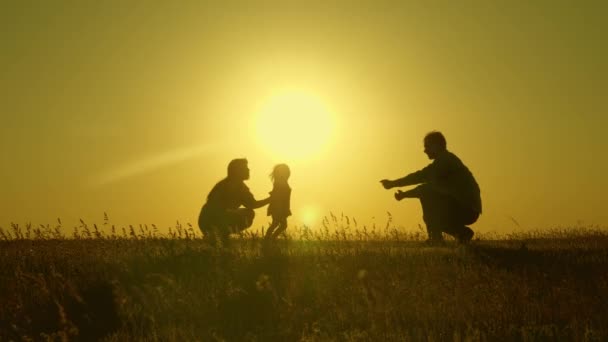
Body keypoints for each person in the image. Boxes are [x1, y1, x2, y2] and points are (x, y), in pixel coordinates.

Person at [380, 131, 482, 244]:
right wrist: (404, 194)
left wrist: (394, 184)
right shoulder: (445, 160)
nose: (425, 150)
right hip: (467, 208)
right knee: (429, 196)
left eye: (427, 146)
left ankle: (435, 239)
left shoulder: (445, 161)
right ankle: (462, 233)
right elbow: (426, 185)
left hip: (466, 209)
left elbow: (421, 178)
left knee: (428, 197)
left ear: (436, 146)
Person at [198, 158, 270, 245]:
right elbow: (252, 204)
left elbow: (251, 204)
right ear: (237, 171)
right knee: (249, 214)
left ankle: (222, 237)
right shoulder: (235, 186)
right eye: (245, 168)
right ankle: (222, 235)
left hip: (207, 219)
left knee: (248, 213)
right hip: (211, 220)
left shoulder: (230, 184)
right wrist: (270, 199)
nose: (248, 170)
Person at [264, 164, 292, 240]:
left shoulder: (281, 182)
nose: (289, 173)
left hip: (280, 208)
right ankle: (270, 238)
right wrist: (281, 209)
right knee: (280, 224)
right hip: (278, 208)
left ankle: (269, 239)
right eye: (287, 171)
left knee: (276, 224)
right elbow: (277, 196)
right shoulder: (280, 182)